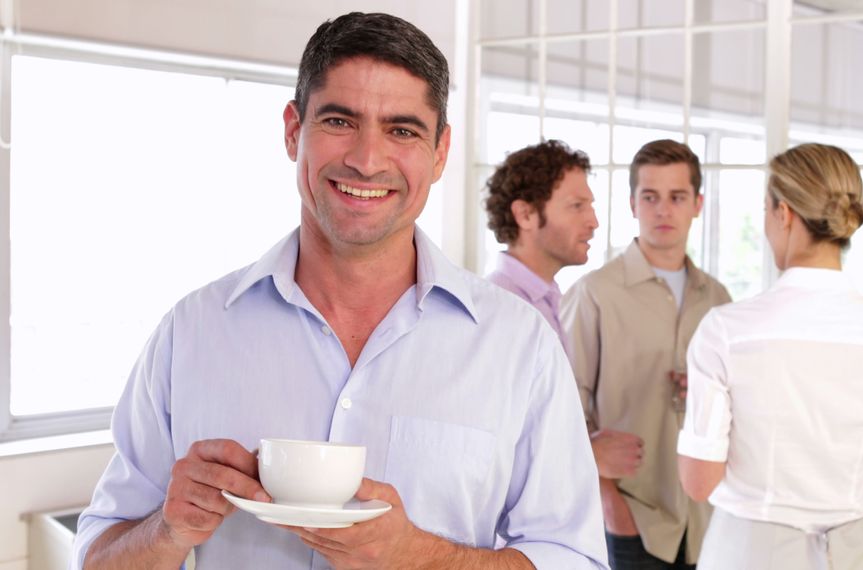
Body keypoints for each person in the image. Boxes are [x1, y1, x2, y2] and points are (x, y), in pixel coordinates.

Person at [71, 12, 608, 570]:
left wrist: (419, 555)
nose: (366, 159)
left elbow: (576, 561)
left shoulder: (520, 346)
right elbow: (97, 559)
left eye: (402, 130)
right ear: (291, 130)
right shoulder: (191, 332)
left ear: (440, 151)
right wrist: (167, 529)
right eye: (339, 121)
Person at [676, 143, 863, 569]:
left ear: (784, 214)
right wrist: (832, 456)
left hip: (750, 553)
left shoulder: (727, 332)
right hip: (850, 555)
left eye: (765, 209)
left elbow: (698, 481)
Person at [562, 139, 732, 569]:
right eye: (650, 197)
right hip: (631, 519)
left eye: (677, 198)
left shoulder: (718, 298)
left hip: (707, 518)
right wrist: (611, 505)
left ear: (698, 204)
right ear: (633, 204)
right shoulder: (595, 293)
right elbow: (562, 413)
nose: (663, 210)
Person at [484, 139, 599, 356]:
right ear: (525, 215)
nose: (593, 222)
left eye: (590, 206)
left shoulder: (549, 297)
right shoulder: (499, 309)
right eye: (577, 206)